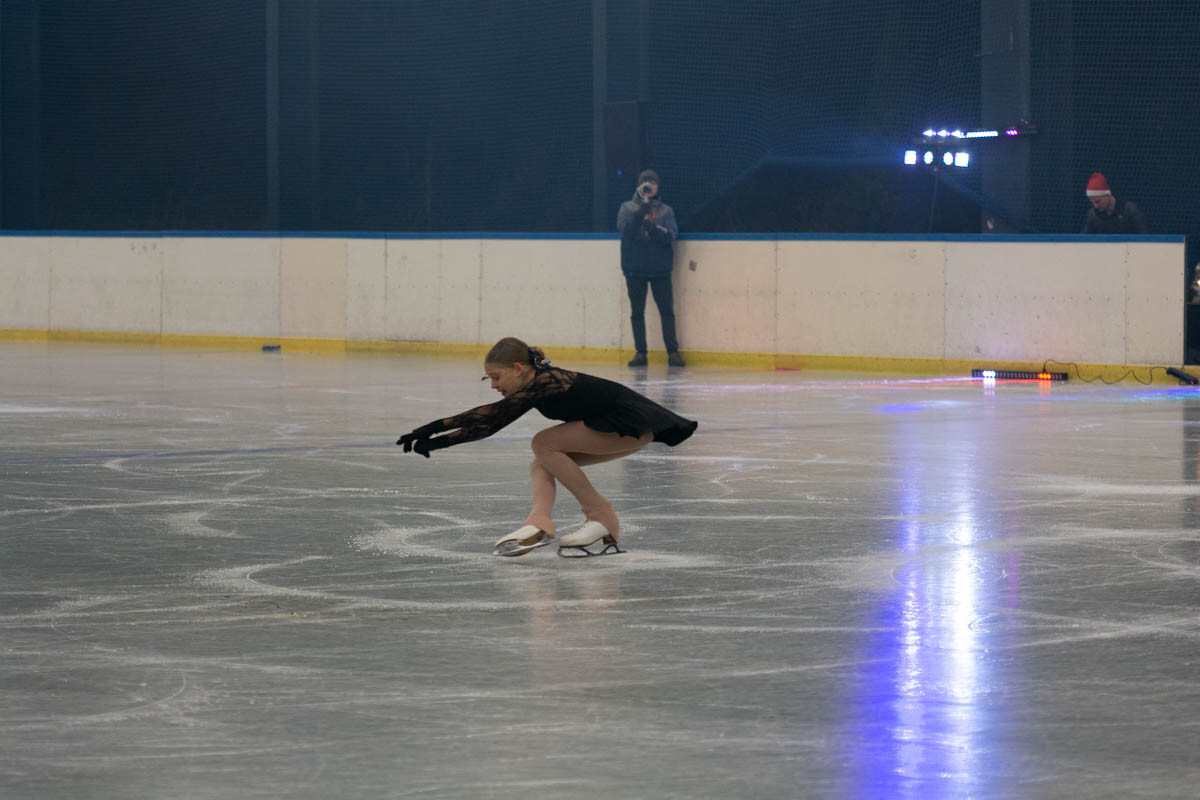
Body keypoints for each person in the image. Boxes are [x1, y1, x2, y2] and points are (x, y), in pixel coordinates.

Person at [396, 337, 698, 557]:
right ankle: (540, 522)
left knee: (544, 443)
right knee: (542, 461)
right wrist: (434, 439)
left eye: (496, 377)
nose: (493, 385)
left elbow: (492, 419)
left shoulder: (546, 381)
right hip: (622, 429)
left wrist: (434, 433)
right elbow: (490, 421)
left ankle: (601, 515)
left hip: (627, 425)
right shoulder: (535, 384)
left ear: (517, 368)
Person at [617, 169, 685, 368]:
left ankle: (672, 352)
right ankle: (641, 353)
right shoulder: (627, 208)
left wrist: (652, 228)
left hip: (659, 269)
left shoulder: (666, 211)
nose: (649, 185)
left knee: (667, 311)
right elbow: (626, 231)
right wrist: (642, 211)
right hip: (634, 269)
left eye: (652, 182)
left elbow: (671, 235)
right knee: (637, 312)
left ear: (657, 186)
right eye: (645, 182)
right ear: (639, 186)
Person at [1082, 172, 1148, 234]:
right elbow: (1085, 240)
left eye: (1098, 201)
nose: (1096, 206)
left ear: (1107, 195)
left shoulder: (1129, 210)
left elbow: (1143, 235)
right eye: (1092, 202)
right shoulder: (1093, 215)